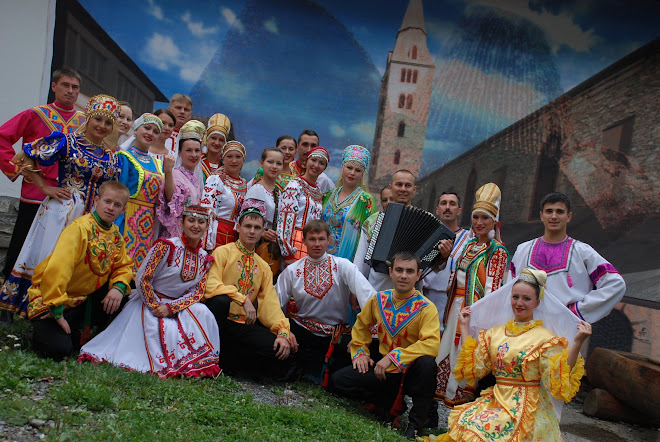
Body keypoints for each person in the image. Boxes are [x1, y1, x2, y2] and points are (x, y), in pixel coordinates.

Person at [0, 95, 122, 317]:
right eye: (98, 120)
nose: (102, 127)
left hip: (91, 218)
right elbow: (25, 159)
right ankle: (27, 306)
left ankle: (64, 311)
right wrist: (45, 188)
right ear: (88, 119)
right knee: (49, 257)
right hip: (62, 213)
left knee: (77, 264)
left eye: (108, 123)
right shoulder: (67, 142)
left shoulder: (111, 157)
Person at [436, 268, 590, 441]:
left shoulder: (545, 340)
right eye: (515, 297)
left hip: (529, 407)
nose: (519, 303)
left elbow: (556, 380)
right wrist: (464, 327)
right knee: (471, 427)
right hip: (497, 399)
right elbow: (474, 367)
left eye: (527, 298)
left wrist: (577, 343)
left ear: (537, 303)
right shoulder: (495, 334)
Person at [80, 205, 220, 378]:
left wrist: (172, 308)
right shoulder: (167, 246)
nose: (196, 226)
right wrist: (156, 305)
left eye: (201, 222)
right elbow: (143, 278)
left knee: (203, 312)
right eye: (191, 220)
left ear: (207, 227)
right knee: (159, 331)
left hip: (176, 307)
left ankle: (200, 360)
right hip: (150, 302)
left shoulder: (205, 258)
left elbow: (196, 292)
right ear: (182, 223)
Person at [330, 252, 441, 439]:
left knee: (427, 364)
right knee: (338, 381)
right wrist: (360, 352)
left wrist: (394, 357)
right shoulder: (379, 299)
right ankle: (382, 401)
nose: (403, 276)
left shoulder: (426, 307)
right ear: (391, 272)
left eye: (409, 271)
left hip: (410, 371)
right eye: (399, 270)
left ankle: (415, 424)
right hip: (384, 371)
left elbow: (431, 344)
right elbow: (361, 326)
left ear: (418, 275)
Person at [0, 68, 85, 304]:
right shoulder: (36, 114)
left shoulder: (85, 121)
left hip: (68, 196)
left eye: (75, 87)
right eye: (65, 85)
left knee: (58, 251)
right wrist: (16, 169)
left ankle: (44, 300)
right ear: (54, 86)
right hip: (36, 192)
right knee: (22, 245)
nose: (70, 91)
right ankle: (8, 299)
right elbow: (2, 137)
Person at [25, 181, 133, 360]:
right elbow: (58, 269)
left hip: (83, 300)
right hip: (53, 298)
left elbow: (123, 266)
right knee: (59, 350)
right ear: (96, 201)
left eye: (117, 205)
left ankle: (91, 333)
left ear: (123, 210)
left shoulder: (115, 235)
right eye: (107, 202)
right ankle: (50, 325)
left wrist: (118, 288)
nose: (110, 208)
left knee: (125, 291)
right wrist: (57, 309)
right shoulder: (79, 228)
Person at [436, 183, 509, 407]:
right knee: (444, 353)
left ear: (493, 222)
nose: (478, 223)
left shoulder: (497, 251)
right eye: (476, 217)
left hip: (473, 314)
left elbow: (493, 291)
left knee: (464, 356)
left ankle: (459, 408)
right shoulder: (468, 245)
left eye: (484, 218)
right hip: (453, 308)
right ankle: (438, 402)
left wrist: (479, 320)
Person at [204, 199, 295, 377]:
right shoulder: (223, 252)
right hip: (219, 322)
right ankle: (216, 359)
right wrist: (242, 299)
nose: (252, 231)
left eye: (256, 227)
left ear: (262, 231)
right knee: (221, 301)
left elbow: (270, 304)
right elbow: (211, 285)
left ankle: (228, 363)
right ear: (238, 227)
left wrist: (283, 331)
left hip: (243, 326)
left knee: (280, 352)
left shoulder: (263, 267)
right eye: (247, 226)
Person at [276, 220, 375, 383]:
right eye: (312, 239)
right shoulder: (293, 271)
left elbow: (368, 296)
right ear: (304, 241)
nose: (317, 244)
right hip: (303, 329)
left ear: (328, 239)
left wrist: (363, 338)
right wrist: (284, 331)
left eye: (321, 239)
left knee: (349, 363)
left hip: (335, 335)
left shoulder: (342, 266)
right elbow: (275, 303)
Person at [509, 192, 626, 323]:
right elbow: (509, 289)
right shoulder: (523, 249)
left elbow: (616, 284)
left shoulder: (582, 252)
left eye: (560, 211)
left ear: (569, 216)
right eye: (549, 211)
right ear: (541, 216)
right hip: (525, 326)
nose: (554, 216)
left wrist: (578, 312)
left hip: (564, 328)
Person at [116, 113, 173, 274]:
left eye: (155, 131)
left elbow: (168, 197)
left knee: (141, 267)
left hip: (149, 221)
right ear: (135, 130)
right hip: (127, 217)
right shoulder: (124, 157)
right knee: (121, 261)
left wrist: (168, 171)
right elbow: (118, 192)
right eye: (147, 128)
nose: (150, 133)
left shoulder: (158, 163)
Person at [353, 169, 418, 292]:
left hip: (411, 293)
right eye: (399, 184)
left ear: (414, 190)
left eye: (408, 185)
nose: (403, 189)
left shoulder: (424, 222)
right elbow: (361, 262)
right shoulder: (372, 222)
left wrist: (442, 257)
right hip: (377, 288)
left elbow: (432, 265)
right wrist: (356, 289)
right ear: (391, 187)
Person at [422, 192, 472, 330]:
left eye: (452, 204)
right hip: (427, 297)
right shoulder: (425, 236)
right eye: (443, 203)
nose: (447, 207)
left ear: (459, 210)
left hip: (454, 300)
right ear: (437, 210)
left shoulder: (468, 239)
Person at [321, 145, 376, 260]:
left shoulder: (366, 200)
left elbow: (368, 237)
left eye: (358, 170)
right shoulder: (327, 195)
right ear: (342, 168)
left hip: (347, 261)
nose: (352, 173)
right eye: (349, 168)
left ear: (362, 174)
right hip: (320, 255)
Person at [277, 146, 329, 265]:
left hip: (312, 245)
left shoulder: (318, 192)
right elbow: (285, 220)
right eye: (313, 160)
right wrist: (288, 252)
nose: (316, 165)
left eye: (321, 163)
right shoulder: (294, 186)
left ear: (324, 168)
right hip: (294, 244)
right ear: (305, 163)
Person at [157, 120, 205, 238]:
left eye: (197, 150)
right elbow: (170, 198)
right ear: (179, 153)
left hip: (191, 235)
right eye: (188, 150)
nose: (194, 155)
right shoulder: (174, 174)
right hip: (174, 235)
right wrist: (167, 171)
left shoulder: (196, 179)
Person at [200, 140, 248, 249]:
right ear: (223, 159)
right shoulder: (215, 180)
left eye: (238, 157)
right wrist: (206, 244)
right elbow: (207, 212)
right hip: (217, 235)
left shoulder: (245, 184)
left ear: (243, 160)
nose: (234, 160)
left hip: (237, 238)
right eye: (229, 156)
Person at [245, 147, 284, 275]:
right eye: (270, 162)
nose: (274, 166)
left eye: (279, 163)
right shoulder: (257, 189)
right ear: (261, 163)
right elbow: (247, 220)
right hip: (257, 245)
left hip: (273, 248)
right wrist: (262, 233)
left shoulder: (279, 192)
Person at [201, 114, 230, 183]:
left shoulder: (226, 166)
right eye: (213, 138)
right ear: (207, 139)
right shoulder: (197, 162)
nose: (217, 143)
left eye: (221, 140)